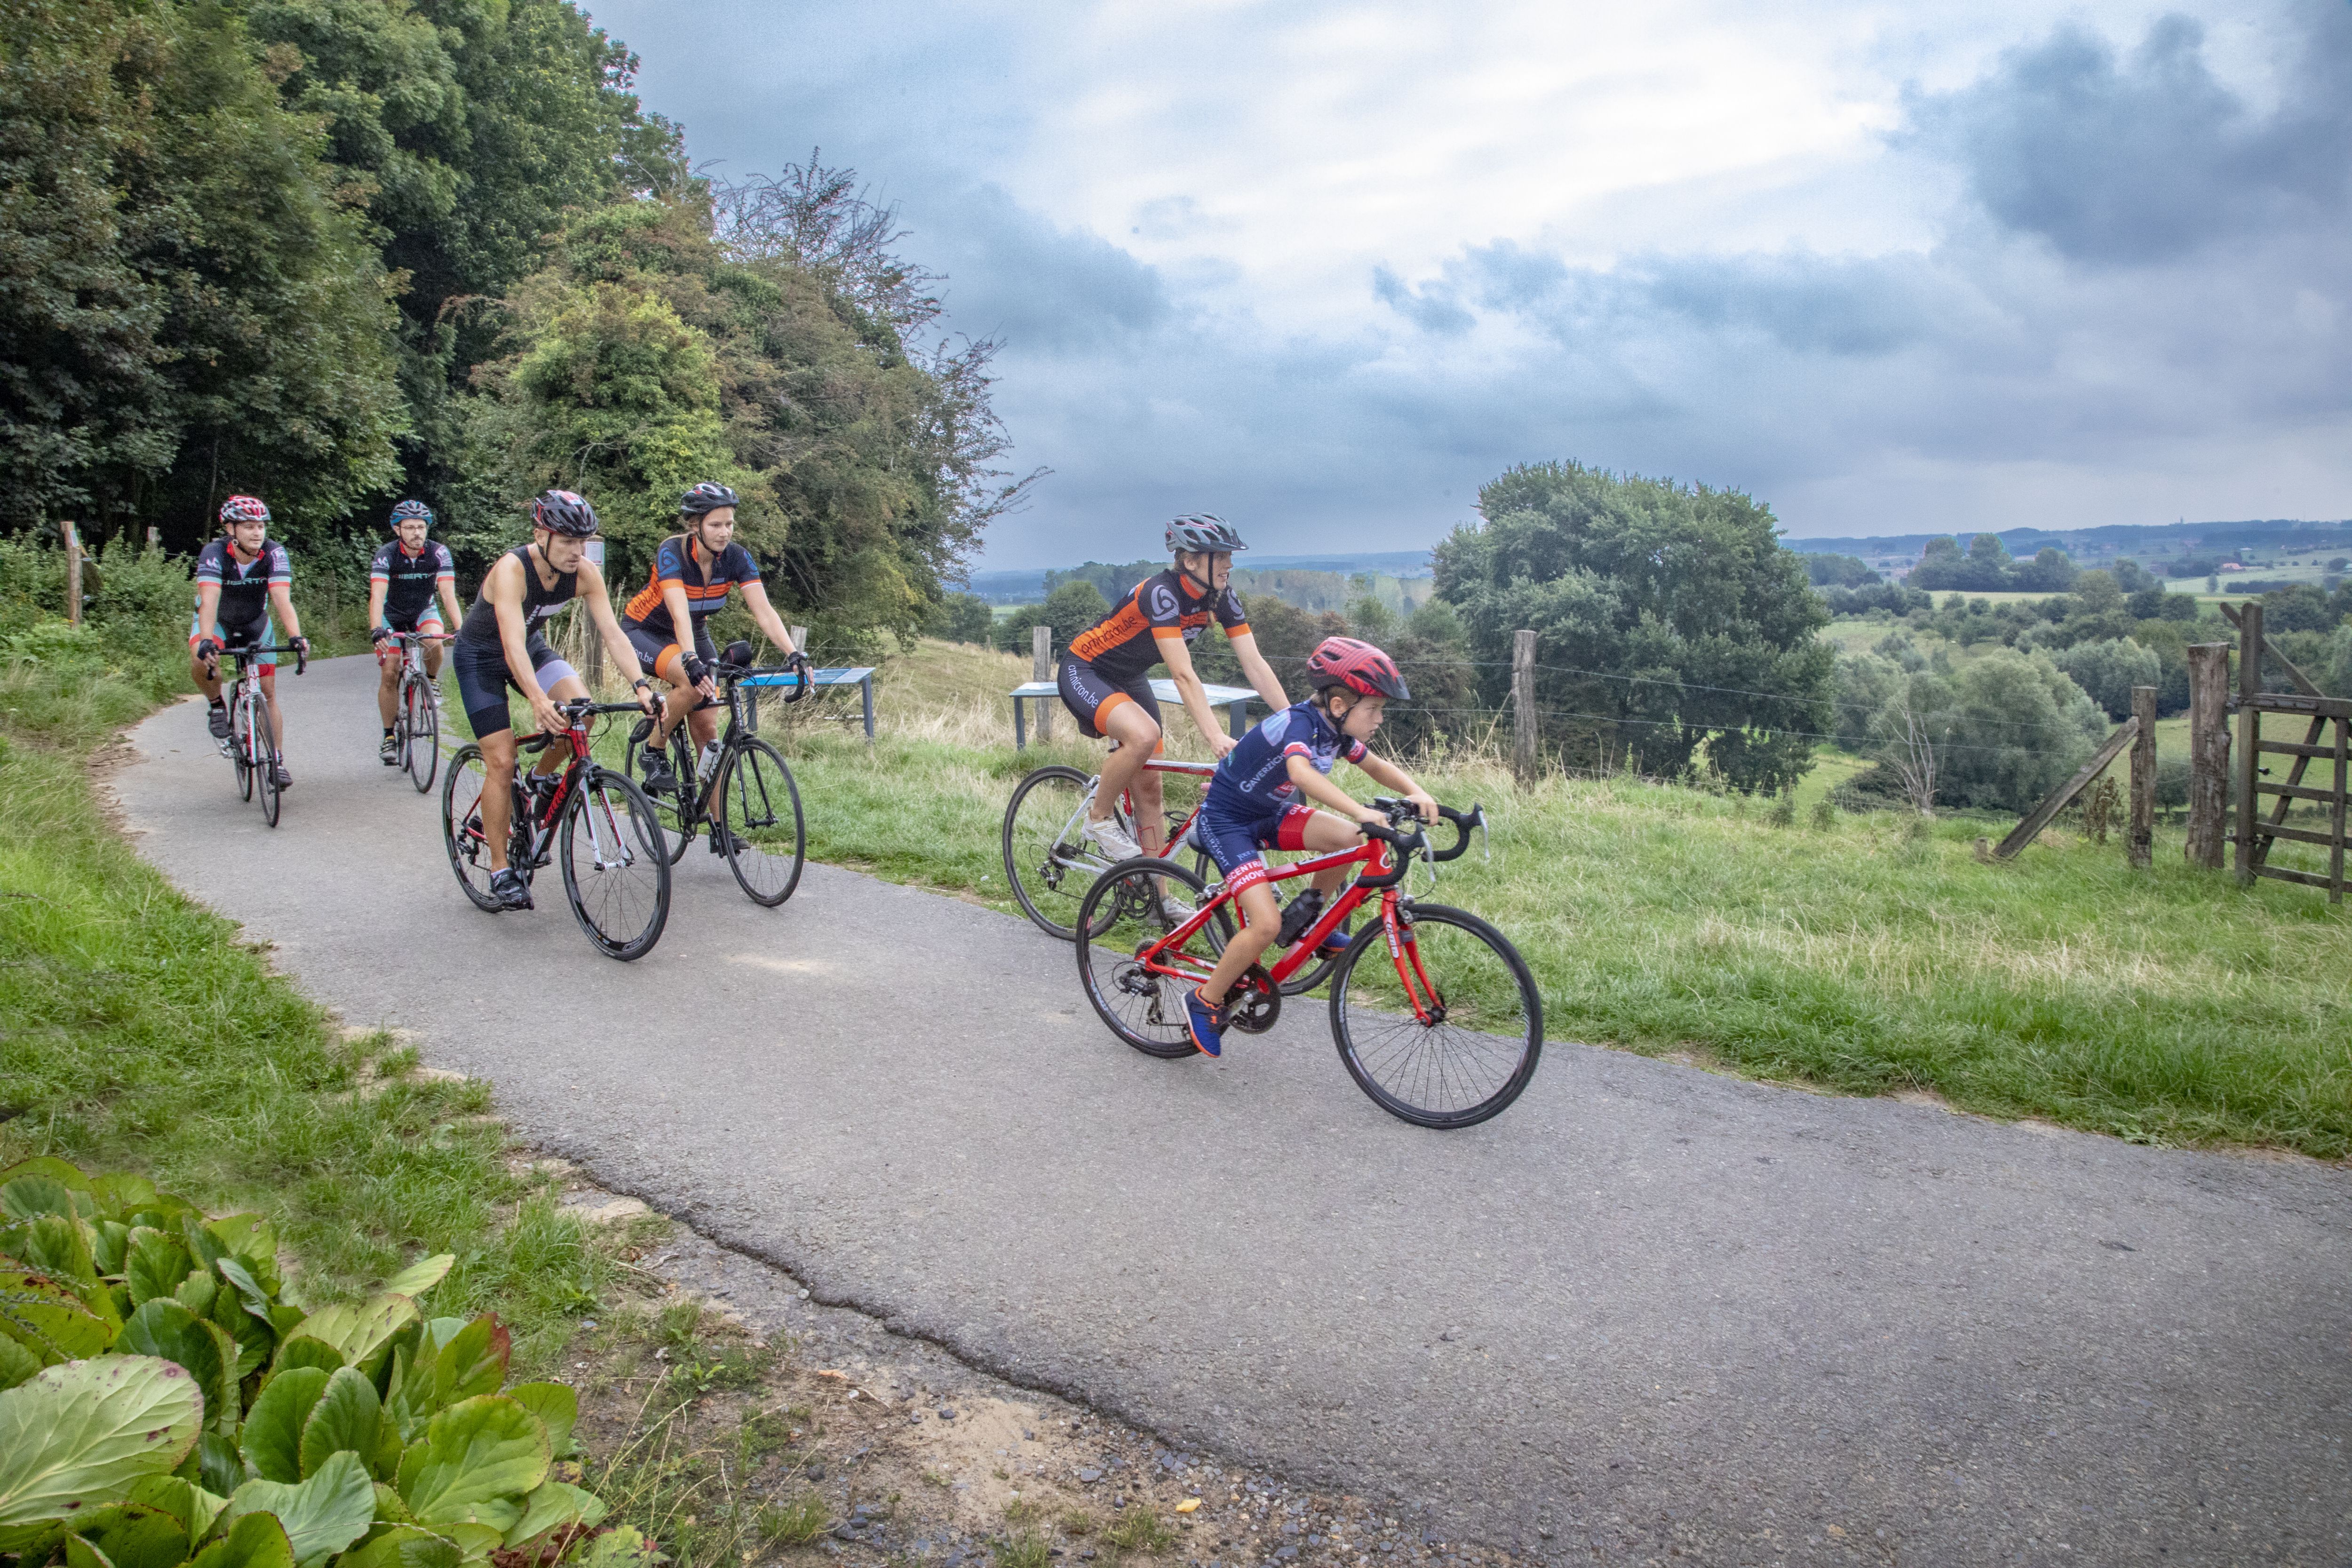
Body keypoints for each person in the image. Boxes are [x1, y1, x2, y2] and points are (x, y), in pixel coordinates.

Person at [1181, 637, 1435, 1059]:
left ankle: (1304, 918)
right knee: (1264, 925)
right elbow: (1300, 773)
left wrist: (1417, 791)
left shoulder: (1336, 731)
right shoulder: (1300, 724)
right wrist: (1360, 810)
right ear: (1338, 705)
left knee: (1351, 839)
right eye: (1374, 709)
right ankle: (1205, 1000)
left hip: (1269, 813)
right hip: (1227, 822)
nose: (1379, 718)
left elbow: (1375, 765)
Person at [450, 489, 658, 911]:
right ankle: (500, 870)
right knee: (502, 761)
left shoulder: (584, 573)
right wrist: (538, 700)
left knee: (583, 710)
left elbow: (613, 634)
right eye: (567, 541)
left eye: (583, 541)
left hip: (531, 648)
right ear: (540, 535)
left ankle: (539, 780)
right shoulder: (512, 569)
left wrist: (640, 685)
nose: (577, 551)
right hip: (481, 658)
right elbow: (510, 644)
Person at [1057, 515, 1289, 863]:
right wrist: (1215, 735)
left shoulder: (1222, 598)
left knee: (1151, 789)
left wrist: (1293, 720)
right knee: (1144, 735)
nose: (1229, 563)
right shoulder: (1161, 593)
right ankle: (1099, 818)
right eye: (1220, 556)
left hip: (1131, 677)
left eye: (1230, 555)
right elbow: (1182, 675)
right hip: (1087, 669)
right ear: (1191, 561)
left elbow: (1254, 664)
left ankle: (1156, 892)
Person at [620, 482, 811, 793]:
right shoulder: (673, 552)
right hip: (645, 630)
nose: (725, 533)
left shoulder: (737, 557)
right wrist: (690, 659)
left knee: (708, 731)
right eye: (716, 525)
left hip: (695, 631)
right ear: (695, 525)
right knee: (691, 684)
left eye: (729, 524)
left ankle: (715, 821)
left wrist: (793, 654)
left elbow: (764, 612)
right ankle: (653, 750)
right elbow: (680, 614)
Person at [190, 494, 309, 790]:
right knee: (200, 659)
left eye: (261, 526)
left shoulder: (274, 553)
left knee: (268, 693)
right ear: (230, 529)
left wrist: (296, 637)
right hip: (218, 621)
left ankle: (277, 761)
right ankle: (217, 705)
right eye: (249, 526)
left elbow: (281, 598)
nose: (257, 533)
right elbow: (209, 601)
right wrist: (207, 641)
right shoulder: (214, 553)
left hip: (256, 623)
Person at [366, 500, 463, 763]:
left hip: (423, 610)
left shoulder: (439, 552)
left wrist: (460, 629)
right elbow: (377, 596)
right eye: (410, 528)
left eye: (421, 527)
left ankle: (431, 679)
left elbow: (447, 594)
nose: (417, 533)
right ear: (398, 530)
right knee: (390, 671)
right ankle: (389, 736)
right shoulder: (386, 554)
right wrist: (377, 629)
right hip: (391, 615)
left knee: (434, 641)